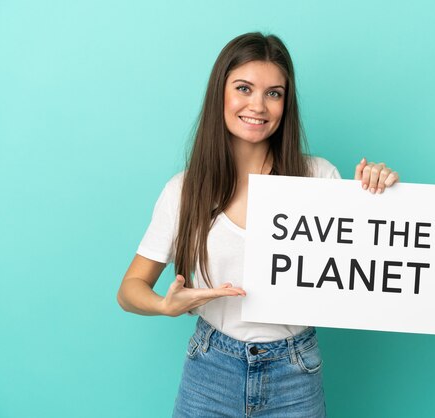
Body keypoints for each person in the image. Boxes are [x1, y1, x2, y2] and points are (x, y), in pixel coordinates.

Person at [116, 32, 399, 418]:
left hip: (295, 372)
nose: (258, 105)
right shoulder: (184, 190)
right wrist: (165, 305)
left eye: (274, 93)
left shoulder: (318, 177)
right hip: (210, 368)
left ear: (286, 103)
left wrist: (379, 192)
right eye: (244, 88)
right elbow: (130, 289)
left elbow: (365, 262)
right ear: (221, 93)